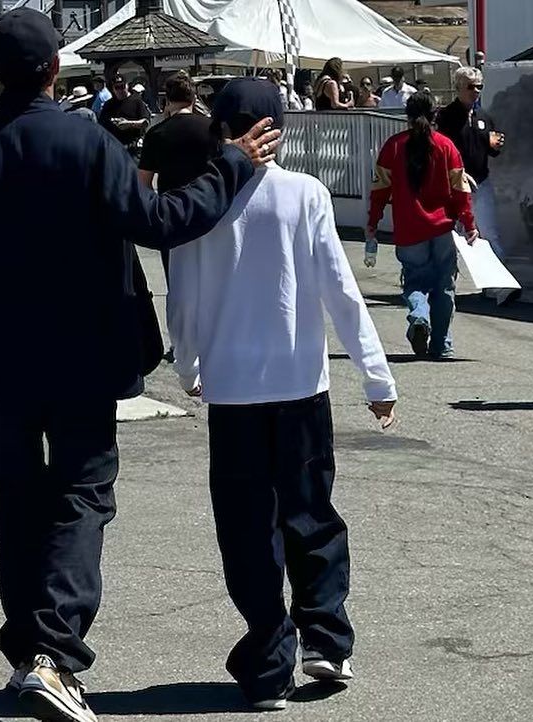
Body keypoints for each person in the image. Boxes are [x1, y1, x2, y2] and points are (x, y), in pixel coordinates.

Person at [0, 8, 280, 722]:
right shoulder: (87, 144)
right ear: (56, 68)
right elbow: (160, 222)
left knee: (16, 506)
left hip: (1, 361)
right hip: (85, 355)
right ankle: (53, 656)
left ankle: (31, 654)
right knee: (82, 497)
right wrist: (234, 162)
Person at [167, 77, 397, 711]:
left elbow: (181, 290)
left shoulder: (202, 198)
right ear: (280, 130)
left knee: (247, 527)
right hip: (301, 385)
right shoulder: (305, 194)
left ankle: (269, 660)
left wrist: (187, 362)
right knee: (311, 512)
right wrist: (376, 377)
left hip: (232, 389)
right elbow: (340, 290)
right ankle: (326, 638)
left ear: (219, 129)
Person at [367, 94, 477, 360]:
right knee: (444, 286)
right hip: (442, 229)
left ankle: (418, 315)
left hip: (409, 229)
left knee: (414, 281)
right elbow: (461, 191)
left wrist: (372, 223)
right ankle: (441, 344)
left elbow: (379, 190)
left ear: (406, 114)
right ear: (434, 113)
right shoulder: (446, 146)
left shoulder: (394, 146)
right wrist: (469, 224)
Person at [138, 71, 215, 361]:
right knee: (211, 276)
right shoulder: (212, 129)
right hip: (210, 210)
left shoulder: (157, 134)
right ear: (193, 98)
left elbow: (143, 184)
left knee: (178, 284)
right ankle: (212, 335)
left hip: (173, 215)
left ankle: (182, 344)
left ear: (166, 100)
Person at [436, 68, 505, 259]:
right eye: (470, 86)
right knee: (451, 236)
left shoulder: (483, 116)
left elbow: (491, 150)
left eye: (479, 86)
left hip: (481, 183)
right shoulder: (446, 116)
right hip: (455, 185)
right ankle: (446, 280)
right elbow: (441, 151)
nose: (475, 91)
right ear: (458, 87)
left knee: (489, 232)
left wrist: (495, 145)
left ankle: (497, 283)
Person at [99, 75, 151, 161]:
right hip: (113, 147)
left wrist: (129, 124)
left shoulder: (136, 101)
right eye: (117, 87)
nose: (120, 90)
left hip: (132, 146)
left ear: (127, 86)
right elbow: (102, 124)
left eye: (122, 86)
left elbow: (145, 122)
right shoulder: (108, 104)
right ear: (113, 89)